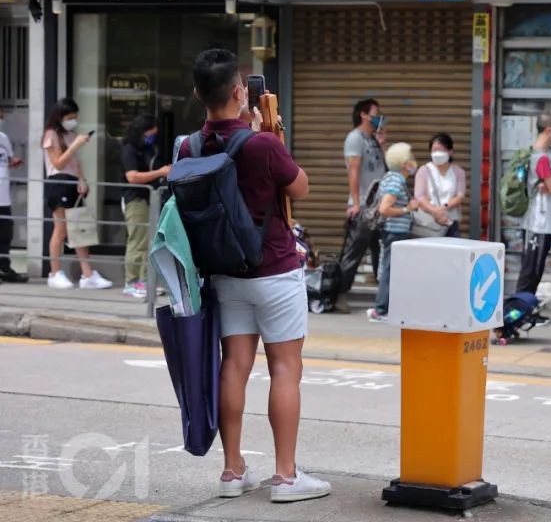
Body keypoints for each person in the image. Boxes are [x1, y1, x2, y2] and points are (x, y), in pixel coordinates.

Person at [178, 49, 329, 503]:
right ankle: (285, 477)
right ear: (241, 91)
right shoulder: (262, 144)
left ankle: (232, 470)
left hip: (225, 274)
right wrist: (271, 135)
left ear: (197, 94)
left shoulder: (190, 146)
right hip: (276, 270)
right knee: (285, 368)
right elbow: (300, 186)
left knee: (235, 367)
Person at [42, 98, 113, 291]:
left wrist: (82, 180)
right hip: (58, 182)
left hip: (73, 183)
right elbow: (57, 163)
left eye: (75, 117)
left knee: (81, 229)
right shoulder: (51, 134)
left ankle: (87, 274)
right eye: (70, 117)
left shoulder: (70, 134)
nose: (73, 120)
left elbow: (75, 163)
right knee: (61, 230)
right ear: (60, 116)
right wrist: (76, 145)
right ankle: (55, 272)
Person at [337, 99, 388, 313]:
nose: (379, 116)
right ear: (363, 115)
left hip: (380, 207)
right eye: (376, 113)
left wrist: (383, 143)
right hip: (363, 207)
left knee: (381, 251)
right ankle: (339, 294)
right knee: (354, 252)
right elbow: (354, 171)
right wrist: (356, 203)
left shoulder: (373, 139)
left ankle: (382, 297)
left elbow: (384, 167)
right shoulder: (355, 138)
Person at [515, 113, 551, 326]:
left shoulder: (531, 154)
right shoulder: (541, 158)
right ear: (549, 130)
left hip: (533, 221)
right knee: (531, 270)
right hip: (537, 222)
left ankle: (527, 310)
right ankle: (519, 314)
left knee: (533, 268)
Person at [119, 113, 171, 299]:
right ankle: (131, 282)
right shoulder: (129, 149)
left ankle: (144, 280)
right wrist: (160, 171)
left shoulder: (148, 149)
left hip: (150, 199)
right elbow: (132, 177)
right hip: (136, 200)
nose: (152, 137)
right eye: (150, 134)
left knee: (149, 242)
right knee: (138, 241)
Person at [367, 142, 419, 323]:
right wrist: (407, 209)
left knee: (392, 269)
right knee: (390, 270)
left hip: (394, 232)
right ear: (404, 162)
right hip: (394, 232)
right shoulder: (396, 180)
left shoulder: (393, 178)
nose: (414, 160)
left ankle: (387, 308)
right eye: (411, 157)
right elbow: (384, 209)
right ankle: (380, 310)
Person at [415, 133, 466, 238]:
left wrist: (443, 208)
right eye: (434, 151)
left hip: (450, 222)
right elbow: (419, 197)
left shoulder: (458, 172)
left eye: (441, 150)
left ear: (450, 152)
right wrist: (435, 212)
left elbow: (460, 196)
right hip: (429, 223)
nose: (437, 153)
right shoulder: (424, 170)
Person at [0, 106, 27, 283]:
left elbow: (7, 159)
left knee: (5, 232)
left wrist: (13, 161)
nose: (2, 117)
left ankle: (4, 267)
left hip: (3, 195)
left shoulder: (3, 138)